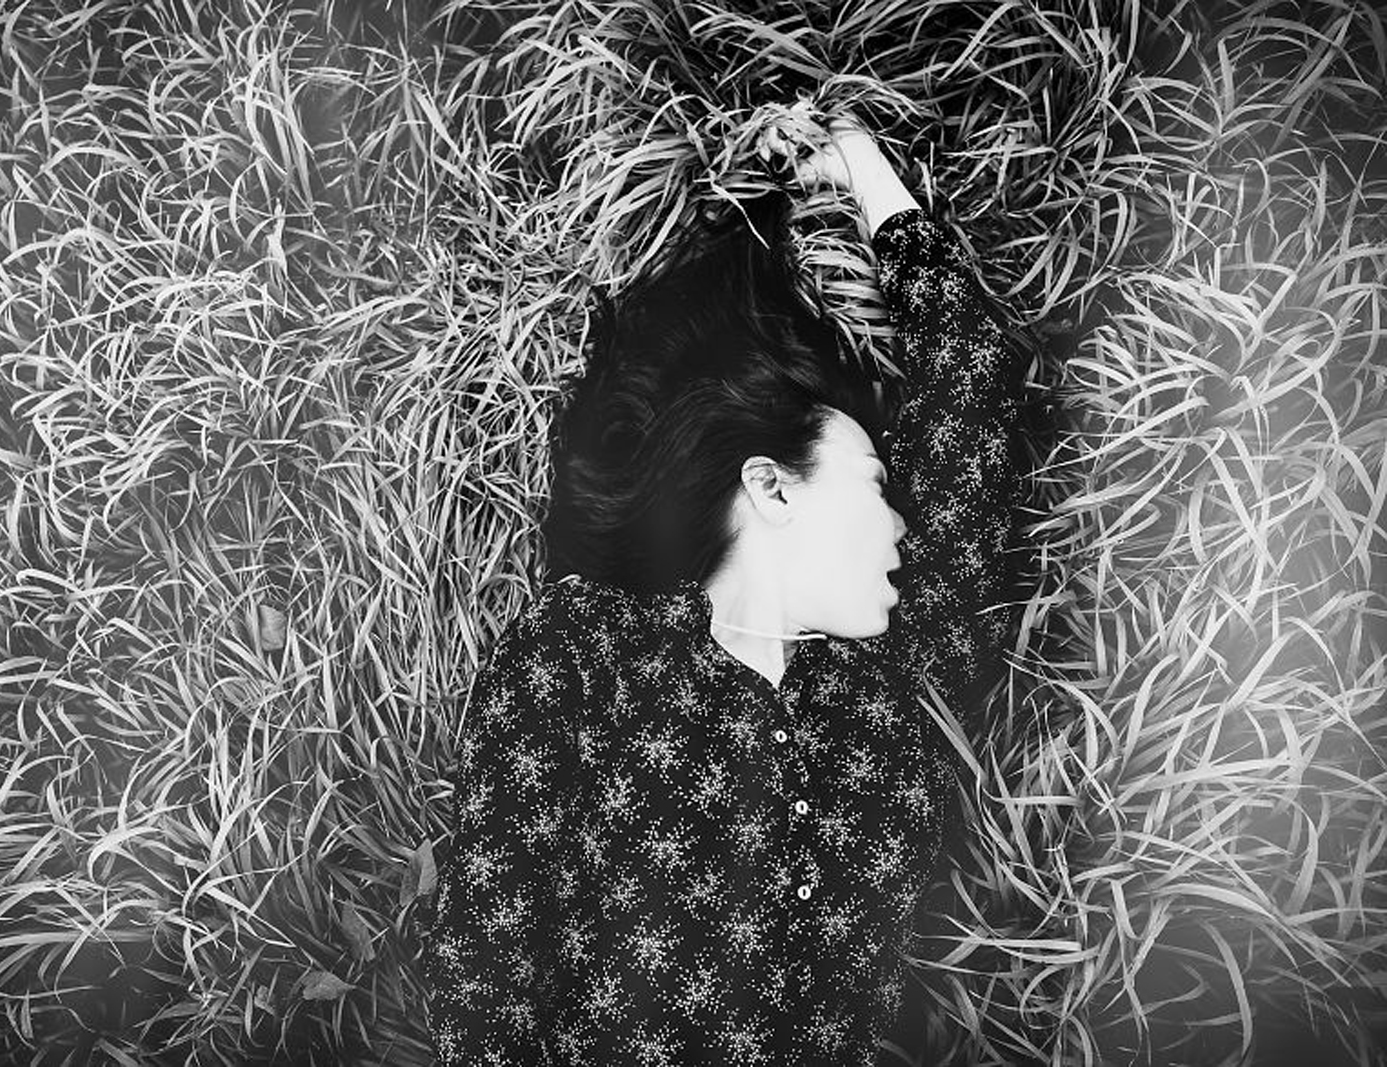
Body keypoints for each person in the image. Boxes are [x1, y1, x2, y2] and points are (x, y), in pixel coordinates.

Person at [422, 115, 1026, 1066]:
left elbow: (973, 378)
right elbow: (483, 973)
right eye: (877, 486)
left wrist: (860, 166)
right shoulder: (584, 652)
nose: (906, 526)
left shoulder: (900, 677)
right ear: (771, 486)